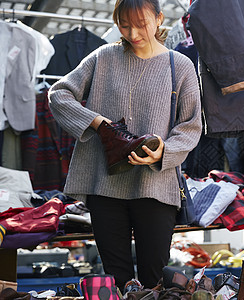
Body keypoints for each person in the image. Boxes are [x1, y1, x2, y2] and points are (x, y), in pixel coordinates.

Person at [48, 0, 202, 291]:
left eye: (141, 23)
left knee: (153, 279)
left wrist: (163, 152)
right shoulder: (103, 57)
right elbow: (59, 94)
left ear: (158, 19)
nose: (133, 33)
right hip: (105, 186)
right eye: (124, 24)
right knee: (115, 279)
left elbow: (191, 125)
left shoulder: (179, 65)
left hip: (155, 186)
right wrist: (98, 124)